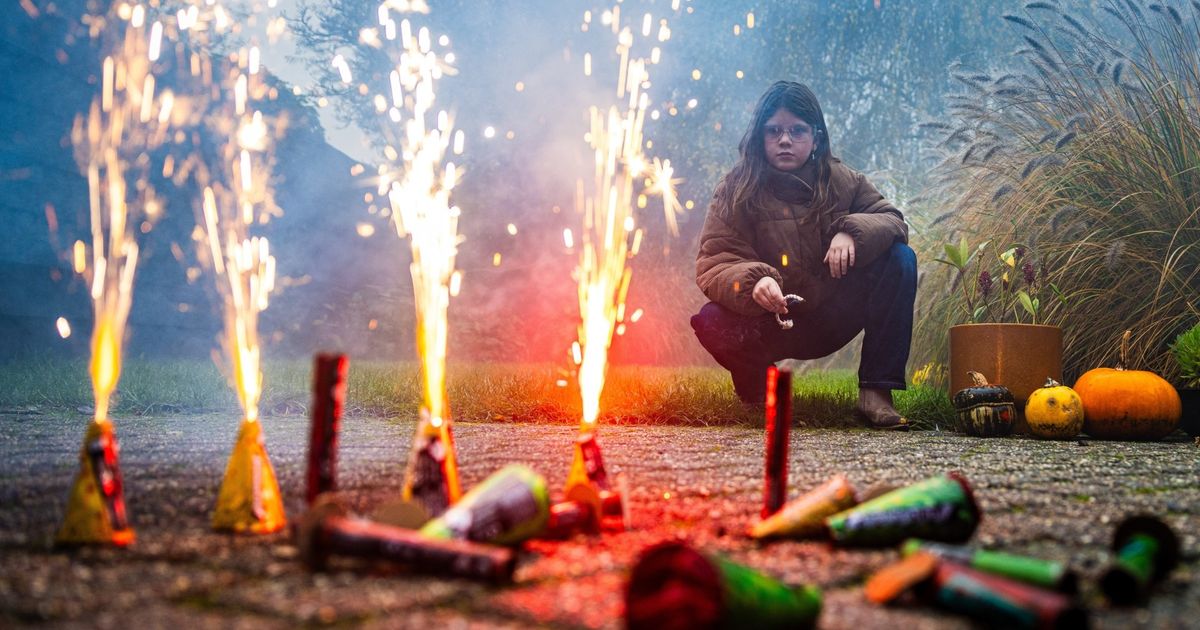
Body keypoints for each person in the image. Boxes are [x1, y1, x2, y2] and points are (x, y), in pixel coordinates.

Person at [691, 81, 916, 430]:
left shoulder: (845, 181)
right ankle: (760, 392)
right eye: (774, 131)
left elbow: (892, 220)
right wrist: (755, 281)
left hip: (832, 316)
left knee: (900, 258)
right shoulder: (734, 190)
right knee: (710, 320)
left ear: (816, 137)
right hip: (767, 321)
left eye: (797, 130)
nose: (785, 140)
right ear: (759, 138)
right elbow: (715, 259)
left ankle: (876, 391)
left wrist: (851, 231)